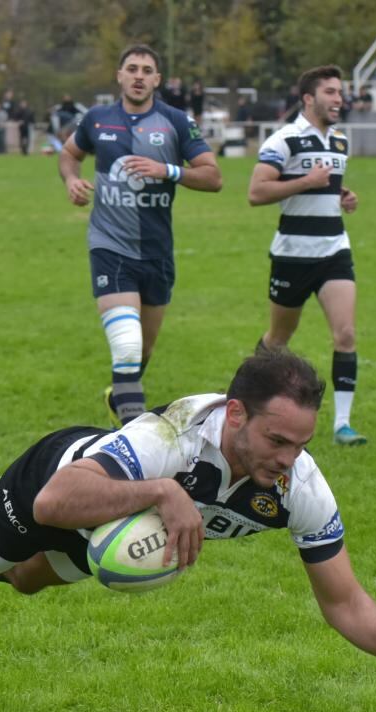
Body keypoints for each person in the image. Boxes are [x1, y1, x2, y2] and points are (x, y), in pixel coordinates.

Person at [0, 352, 376, 665]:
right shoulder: (175, 436)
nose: (289, 460)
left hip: (112, 527)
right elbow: (56, 500)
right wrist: (167, 492)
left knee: (24, 581)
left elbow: (343, 600)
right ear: (235, 415)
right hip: (67, 476)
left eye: (301, 445)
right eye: (278, 441)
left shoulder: (299, 487)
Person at [59, 44, 222, 426]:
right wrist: (71, 180)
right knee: (128, 346)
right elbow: (69, 154)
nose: (138, 75)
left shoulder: (175, 122)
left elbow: (213, 177)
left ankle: (120, 393)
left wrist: (168, 170)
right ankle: (132, 437)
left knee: (141, 349)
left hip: (156, 252)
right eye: (131, 68)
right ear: (119, 75)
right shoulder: (97, 119)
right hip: (109, 245)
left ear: (157, 80)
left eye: (147, 70)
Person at [248, 65, 368, 447]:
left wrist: (342, 196)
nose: (339, 99)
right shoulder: (284, 140)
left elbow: (326, 186)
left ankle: (343, 425)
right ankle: (250, 395)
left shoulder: (340, 142)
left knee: (346, 333)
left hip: (334, 249)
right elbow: (257, 192)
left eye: (340, 92)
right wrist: (306, 183)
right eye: (331, 92)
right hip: (292, 255)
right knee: (279, 338)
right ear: (308, 99)